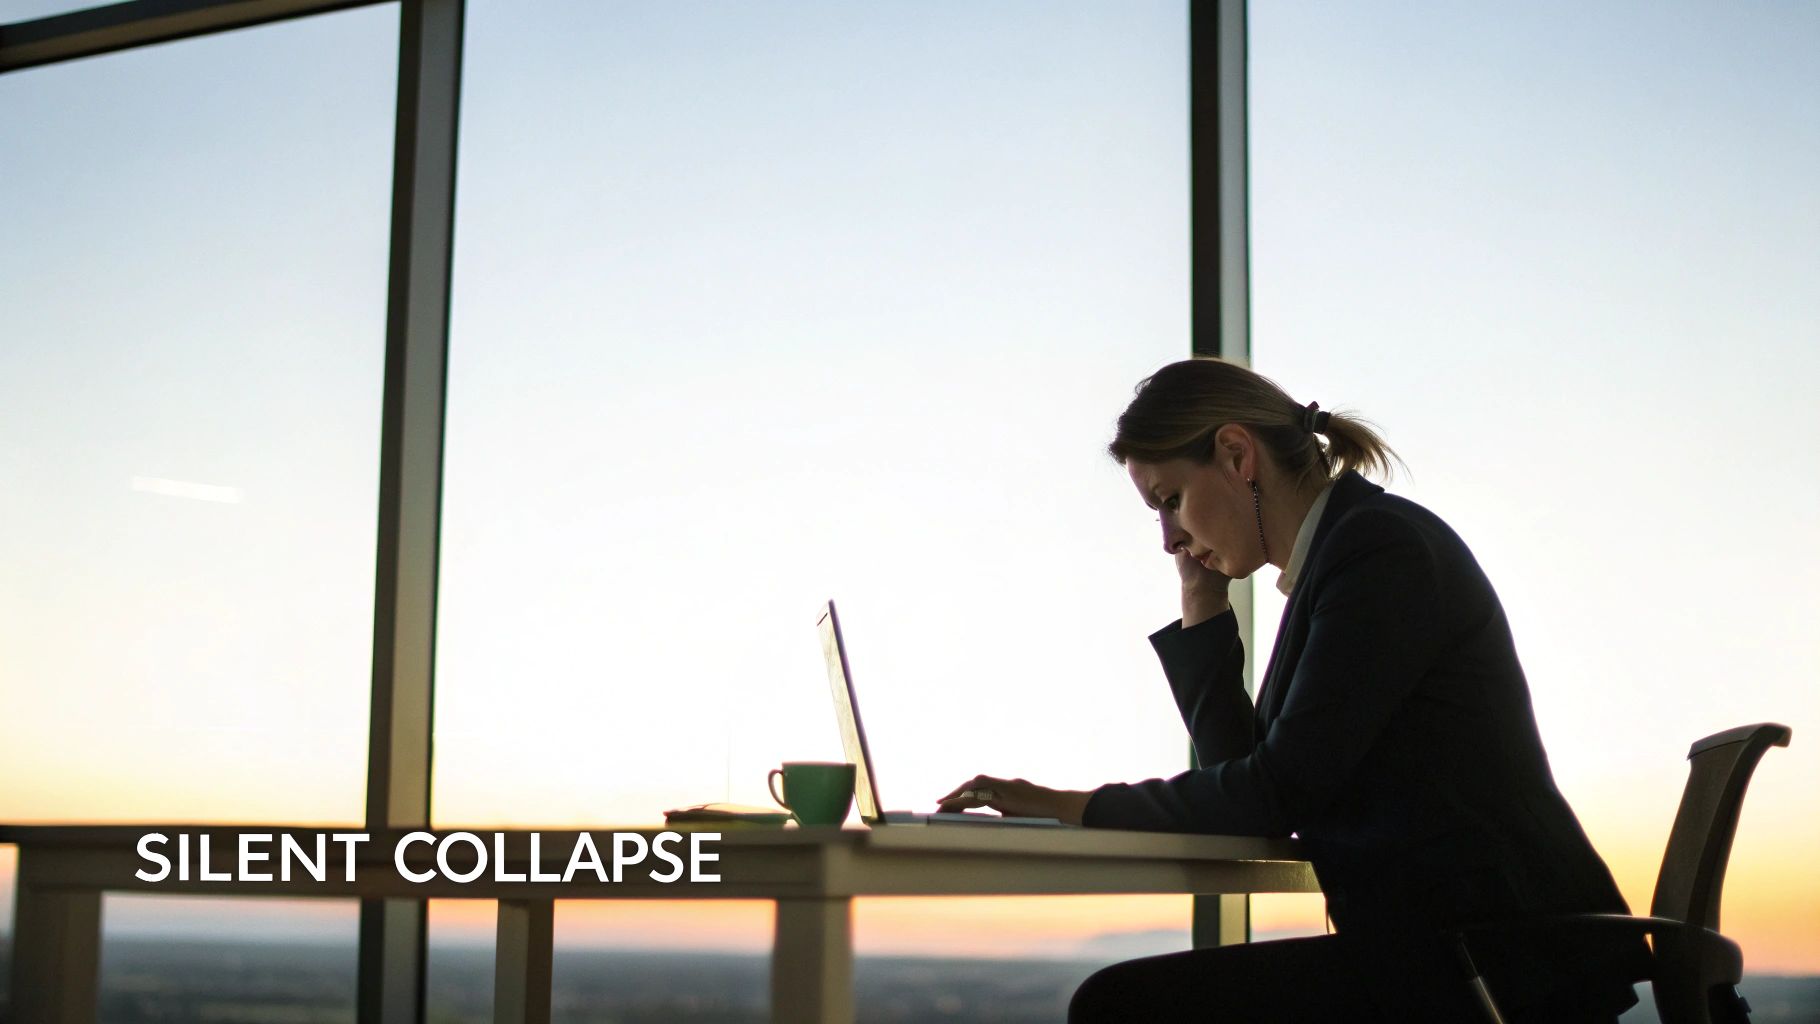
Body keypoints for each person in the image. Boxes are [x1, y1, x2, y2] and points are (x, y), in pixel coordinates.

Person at [937, 357, 1645, 1022]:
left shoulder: (1378, 553)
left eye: (1171, 501)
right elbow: (1251, 791)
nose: (1167, 538)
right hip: (1450, 953)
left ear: (1238, 455)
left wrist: (1066, 807)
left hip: (1498, 964)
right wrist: (1201, 604)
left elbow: (1275, 790)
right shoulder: (1343, 557)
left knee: (1122, 1006)